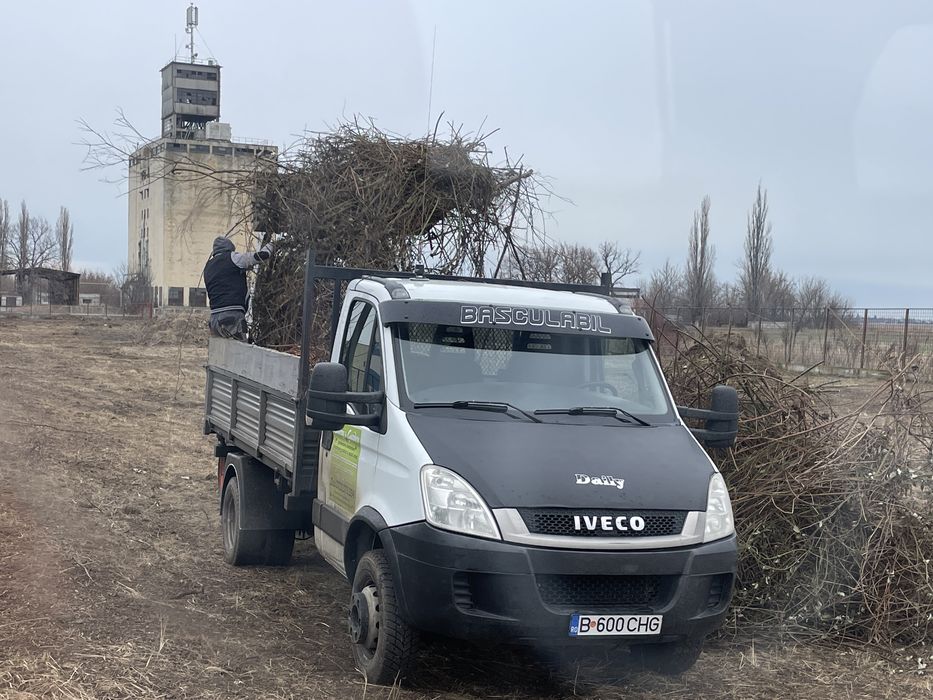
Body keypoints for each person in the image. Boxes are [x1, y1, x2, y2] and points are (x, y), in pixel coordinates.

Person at [204, 236, 273, 340]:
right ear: (229, 249)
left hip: (214, 319)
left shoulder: (208, 266)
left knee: (222, 354)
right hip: (231, 317)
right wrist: (272, 245)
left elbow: (225, 275)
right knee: (239, 353)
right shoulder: (233, 258)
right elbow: (261, 256)